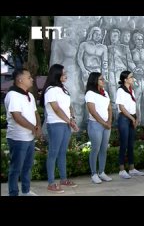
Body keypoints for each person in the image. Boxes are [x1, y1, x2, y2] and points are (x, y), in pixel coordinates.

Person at [40, 64, 79, 193]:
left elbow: (68, 106)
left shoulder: (63, 89)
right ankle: (51, 183)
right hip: (56, 124)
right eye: (63, 72)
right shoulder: (51, 90)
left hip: (66, 124)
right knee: (53, 153)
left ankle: (63, 179)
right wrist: (69, 121)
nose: (66, 74)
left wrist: (72, 118)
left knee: (62, 153)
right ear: (57, 74)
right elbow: (56, 109)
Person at [5, 68, 42, 196]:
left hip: (29, 137)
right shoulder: (13, 95)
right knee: (15, 169)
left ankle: (25, 191)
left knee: (27, 166)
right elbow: (17, 116)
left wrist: (38, 126)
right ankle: (13, 193)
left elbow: (35, 113)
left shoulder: (30, 95)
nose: (32, 79)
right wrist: (33, 128)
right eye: (29, 77)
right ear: (20, 79)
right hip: (17, 138)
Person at [116, 71, 144, 179]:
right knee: (124, 144)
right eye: (131, 77)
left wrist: (136, 117)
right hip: (124, 118)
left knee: (131, 144)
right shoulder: (120, 90)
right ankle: (122, 169)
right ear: (125, 79)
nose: (133, 79)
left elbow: (133, 105)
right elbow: (122, 108)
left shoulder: (131, 90)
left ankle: (132, 168)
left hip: (131, 118)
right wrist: (132, 118)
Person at [85, 72, 113, 184]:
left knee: (103, 149)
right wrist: (103, 123)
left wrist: (109, 121)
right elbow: (92, 111)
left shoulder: (105, 93)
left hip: (106, 124)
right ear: (95, 80)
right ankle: (94, 173)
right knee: (95, 149)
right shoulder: (90, 93)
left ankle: (101, 172)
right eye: (101, 79)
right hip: (95, 125)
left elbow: (110, 109)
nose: (103, 81)